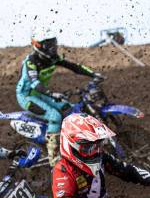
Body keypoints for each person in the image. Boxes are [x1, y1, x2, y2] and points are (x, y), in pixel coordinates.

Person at [16, 31, 103, 166]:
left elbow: (74, 66)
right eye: (48, 43)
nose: (53, 46)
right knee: (55, 116)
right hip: (27, 96)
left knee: (68, 108)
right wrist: (51, 93)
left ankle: (71, 145)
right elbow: (34, 83)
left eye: (53, 42)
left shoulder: (53, 57)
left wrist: (93, 74)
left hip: (41, 94)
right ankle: (55, 159)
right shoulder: (31, 62)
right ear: (38, 45)